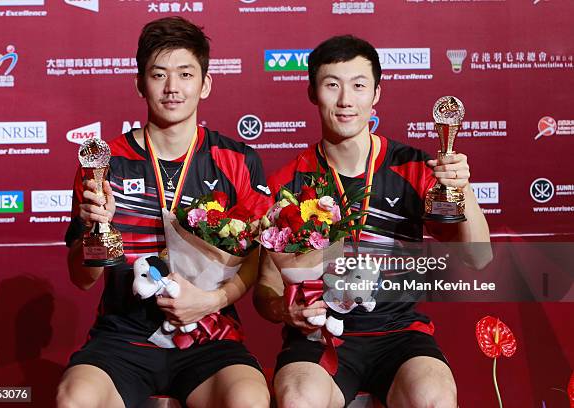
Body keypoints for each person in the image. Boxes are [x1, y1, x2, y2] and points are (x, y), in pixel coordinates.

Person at [253, 35, 492, 408]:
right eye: (332, 85)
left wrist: (464, 188)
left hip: (399, 333)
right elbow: (266, 286)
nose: (346, 100)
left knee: (434, 398)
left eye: (359, 85)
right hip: (319, 336)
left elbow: (479, 257)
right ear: (313, 93)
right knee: (299, 398)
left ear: (377, 93)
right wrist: (287, 310)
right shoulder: (287, 182)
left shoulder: (412, 167)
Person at [57, 17, 272, 408]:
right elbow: (81, 279)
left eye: (185, 74)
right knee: (75, 399)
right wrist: (96, 229)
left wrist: (213, 300)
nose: (172, 88)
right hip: (124, 335)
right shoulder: (106, 165)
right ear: (140, 83)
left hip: (210, 335)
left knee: (250, 399)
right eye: (159, 75)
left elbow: (258, 257)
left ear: (205, 83)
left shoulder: (237, 160)